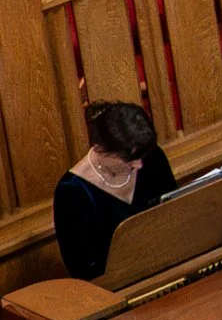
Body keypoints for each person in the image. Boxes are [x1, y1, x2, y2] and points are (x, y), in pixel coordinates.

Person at [52, 103, 174, 282]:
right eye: (129, 158)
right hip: (118, 287)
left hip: (169, 267)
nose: (138, 165)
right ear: (101, 149)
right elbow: (82, 270)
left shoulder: (150, 156)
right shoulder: (71, 191)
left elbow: (174, 211)